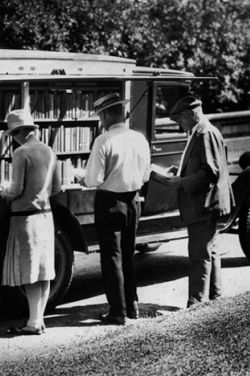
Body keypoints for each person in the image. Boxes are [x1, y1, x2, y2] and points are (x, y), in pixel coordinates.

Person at [80, 93, 150, 325]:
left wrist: (84, 178)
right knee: (128, 255)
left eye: (101, 115)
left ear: (107, 114)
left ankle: (117, 311)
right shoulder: (139, 139)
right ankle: (132, 305)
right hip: (133, 201)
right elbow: (146, 174)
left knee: (112, 258)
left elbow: (94, 179)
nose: (100, 120)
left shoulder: (104, 140)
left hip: (110, 202)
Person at [157, 95, 234, 308]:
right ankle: (215, 298)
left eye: (180, 120)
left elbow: (210, 172)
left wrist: (181, 181)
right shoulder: (201, 131)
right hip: (207, 203)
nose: (180, 125)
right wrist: (180, 171)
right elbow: (203, 166)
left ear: (192, 113)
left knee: (199, 254)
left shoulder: (205, 133)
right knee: (210, 250)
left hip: (204, 204)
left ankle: (197, 303)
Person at [0, 109, 62, 335]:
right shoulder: (49, 151)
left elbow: (15, 190)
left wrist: (0, 190)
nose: (13, 138)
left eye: (13, 134)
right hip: (45, 216)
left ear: (21, 132)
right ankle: (38, 319)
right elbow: (56, 188)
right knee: (44, 270)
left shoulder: (21, 153)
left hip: (25, 219)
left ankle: (33, 323)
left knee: (30, 270)